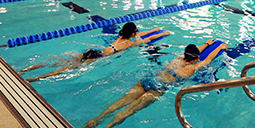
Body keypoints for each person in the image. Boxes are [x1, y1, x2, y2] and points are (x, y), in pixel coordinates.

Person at [79, 39, 228, 128]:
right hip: (158, 88)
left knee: (120, 102)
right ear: (196, 58)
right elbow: (208, 59)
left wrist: (206, 44)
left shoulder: (178, 59)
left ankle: (92, 122)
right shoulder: (192, 68)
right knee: (129, 110)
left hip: (149, 79)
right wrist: (220, 47)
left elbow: (192, 53)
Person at [24, 22, 169, 81]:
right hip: (99, 57)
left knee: (61, 61)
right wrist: (162, 33)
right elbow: (148, 38)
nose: (137, 33)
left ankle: (27, 69)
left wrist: (154, 29)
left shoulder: (121, 37)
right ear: (132, 33)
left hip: (94, 51)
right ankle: (37, 78)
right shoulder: (130, 43)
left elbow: (142, 33)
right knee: (66, 69)